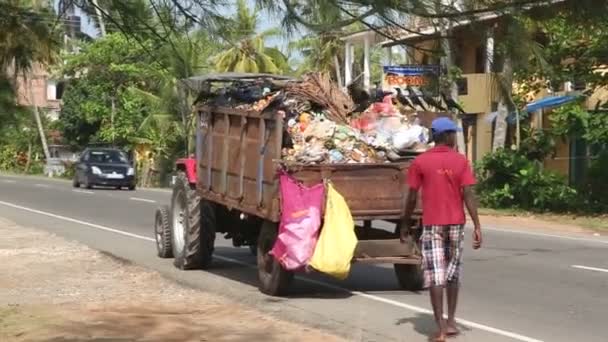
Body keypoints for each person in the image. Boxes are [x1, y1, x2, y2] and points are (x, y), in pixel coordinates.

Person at [400, 117, 482, 342]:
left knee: (436, 274)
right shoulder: (461, 161)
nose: (455, 137)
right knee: (453, 273)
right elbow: (468, 194)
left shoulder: (420, 162)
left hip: (433, 224)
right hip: (456, 223)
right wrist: (477, 225)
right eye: (454, 133)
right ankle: (452, 321)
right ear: (448, 136)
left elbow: (411, 196)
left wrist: (405, 222)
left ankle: (441, 327)